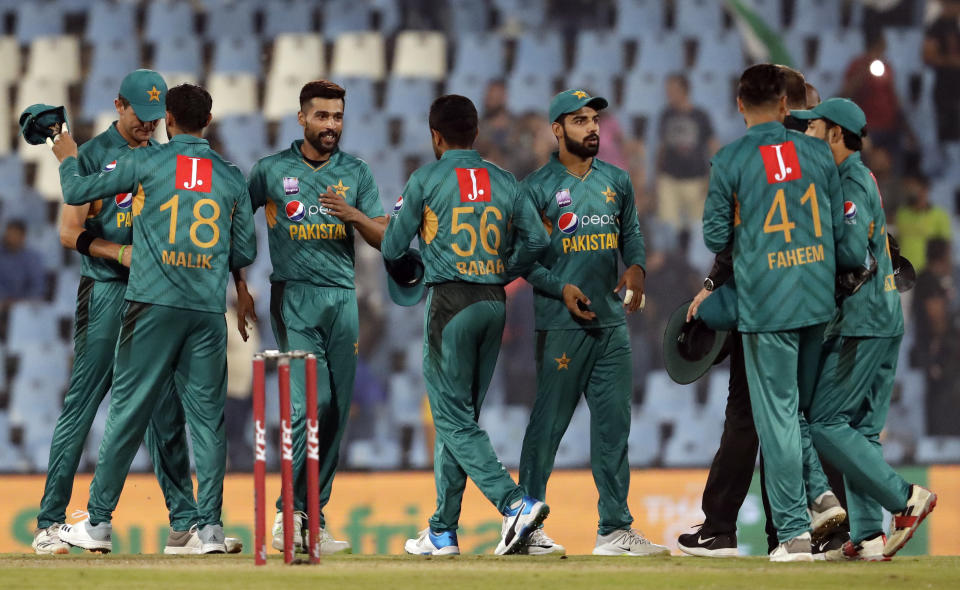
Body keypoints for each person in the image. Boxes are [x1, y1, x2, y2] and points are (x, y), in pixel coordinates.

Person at [31, 70, 243, 556]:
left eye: (155, 119)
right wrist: (121, 254)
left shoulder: (162, 158)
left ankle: (185, 523)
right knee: (85, 402)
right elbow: (69, 234)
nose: (148, 126)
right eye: (140, 117)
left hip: (158, 297)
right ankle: (50, 520)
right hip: (109, 291)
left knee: (165, 414)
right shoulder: (93, 156)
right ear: (119, 105)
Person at [678, 75, 847, 559]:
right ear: (782, 104)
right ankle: (824, 504)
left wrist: (749, 236)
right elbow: (836, 226)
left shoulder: (730, 159)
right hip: (817, 300)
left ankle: (793, 532)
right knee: (799, 413)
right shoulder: (817, 154)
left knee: (771, 417)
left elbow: (714, 236)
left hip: (767, 304)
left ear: (738, 105)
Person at [383, 94, 551, 556]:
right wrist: (503, 266)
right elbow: (538, 238)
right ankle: (442, 530)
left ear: (435, 136)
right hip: (493, 301)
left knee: (451, 418)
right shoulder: (503, 179)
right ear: (475, 133)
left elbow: (394, 245)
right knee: (461, 418)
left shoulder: (427, 178)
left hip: (451, 301)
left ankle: (514, 504)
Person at [516, 89, 666, 557]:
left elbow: (633, 236)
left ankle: (614, 529)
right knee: (548, 427)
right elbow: (522, 262)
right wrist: (560, 288)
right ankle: (525, 524)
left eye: (595, 119)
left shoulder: (617, 181)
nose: (592, 128)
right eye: (579, 121)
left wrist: (637, 269)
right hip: (560, 325)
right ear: (557, 129)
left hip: (610, 326)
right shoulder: (537, 189)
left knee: (614, 428)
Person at [247, 80, 387, 555]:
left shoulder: (357, 172)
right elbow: (231, 226)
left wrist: (353, 215)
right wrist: (239, 287)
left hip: (342, 299)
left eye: (338, 117)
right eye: (323, 116)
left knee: (336, 411)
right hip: (294, 298)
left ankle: (313, 516)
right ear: (302, 118)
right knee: (312, 404)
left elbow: (384, 238)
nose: (331, 125)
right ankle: (288, 515)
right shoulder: (270, 171)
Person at [795, 98, 936, 561]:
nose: (807, 135)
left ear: (836, 134)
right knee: (860, 431)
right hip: (882, 316)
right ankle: (869, 535)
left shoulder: (849, 180)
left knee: (825, 423)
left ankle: (905, 498)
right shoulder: (856, 177)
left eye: (814, 128)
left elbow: (853, 253)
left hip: (861, 322)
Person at [655, 74, 719, 231]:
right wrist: (657, 176)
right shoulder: (666, 115)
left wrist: (712, 176)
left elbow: (713, 147)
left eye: (672, 90)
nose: (668, 94)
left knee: (698, 227)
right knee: (668, 226)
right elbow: (662, 147)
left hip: (696, 180)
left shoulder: (700, 116)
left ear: (684, 90)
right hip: (669, 178)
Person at [895, 174, 952, 273]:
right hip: (904, 272)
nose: (910, 190)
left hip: (927, 273)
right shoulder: (901, 213)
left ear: (925, 189)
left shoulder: (939, 215)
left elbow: (946, 247)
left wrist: (944, 272)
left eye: (913, 187)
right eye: (908, 187)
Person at [923, 0, 960, 146]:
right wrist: (953, 62)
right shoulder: (936, 27)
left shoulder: (955, 26)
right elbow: (928, 56)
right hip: (944, 89)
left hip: (955, 89)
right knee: (948, 137)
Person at [0, 219, 46, 303]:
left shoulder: (32, 258)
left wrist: (19, 301)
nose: (11, 237)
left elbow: (38, 286)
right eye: (9, 234)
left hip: (25, 303)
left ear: (23, 237)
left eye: (15, 234)